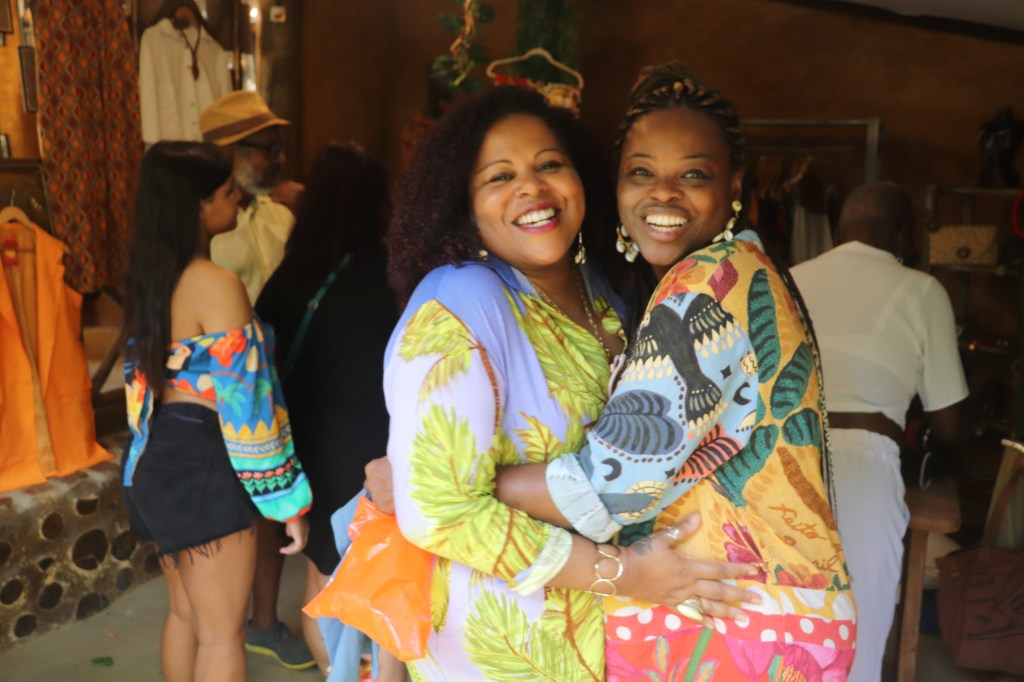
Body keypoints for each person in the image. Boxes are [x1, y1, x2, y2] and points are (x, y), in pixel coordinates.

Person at [483, 63, 857, 680]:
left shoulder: (706, 287)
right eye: (641, 172)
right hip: (770, 614)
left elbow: (612, 484)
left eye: (693, 174)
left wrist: (447, 483)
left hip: (734, 626)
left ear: (733, 186)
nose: (662, 194)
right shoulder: (745, 266)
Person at [380, 85, 759, 680]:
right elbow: (437, 511)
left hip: (612, 635)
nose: (531, 188)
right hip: (507, 645)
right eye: (499, 177)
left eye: (550, 165)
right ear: (463, 206)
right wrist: (623, 575)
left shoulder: (603, 291)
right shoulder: (460, 304)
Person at [120, 141, 311, 682]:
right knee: (222, 635)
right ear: (198, 206)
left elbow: (138, 390)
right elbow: (247, 408)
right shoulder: (215, 284)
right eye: (228, 192)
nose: (237, 200)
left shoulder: (150, 281)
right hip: (205, 461)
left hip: (156, 454)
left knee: (185, 615)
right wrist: (285, 499)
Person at [791, 181, 968, 682]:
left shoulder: (791, 278)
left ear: (839, 231)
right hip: (863, 466)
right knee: (856, 632)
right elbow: (950, 424)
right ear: (904, 236)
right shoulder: (923, 290)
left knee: (784, 622)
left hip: (783, 457)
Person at [255, 142, 401, 676]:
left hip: (305, 447)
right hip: (371, 452)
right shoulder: (393, 275)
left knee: (323, 579)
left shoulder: (289, 274)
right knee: (383, 581)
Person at [199, 89, 314, 669]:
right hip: (220, 395)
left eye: (277, 147)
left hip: (272, 386)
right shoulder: (203, 227)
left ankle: (263, 621)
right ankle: (214, 628)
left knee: (270, 510)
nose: (278, 159)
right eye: (264, 148)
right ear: (226, 152)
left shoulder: (281, 214)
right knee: (223, 523)